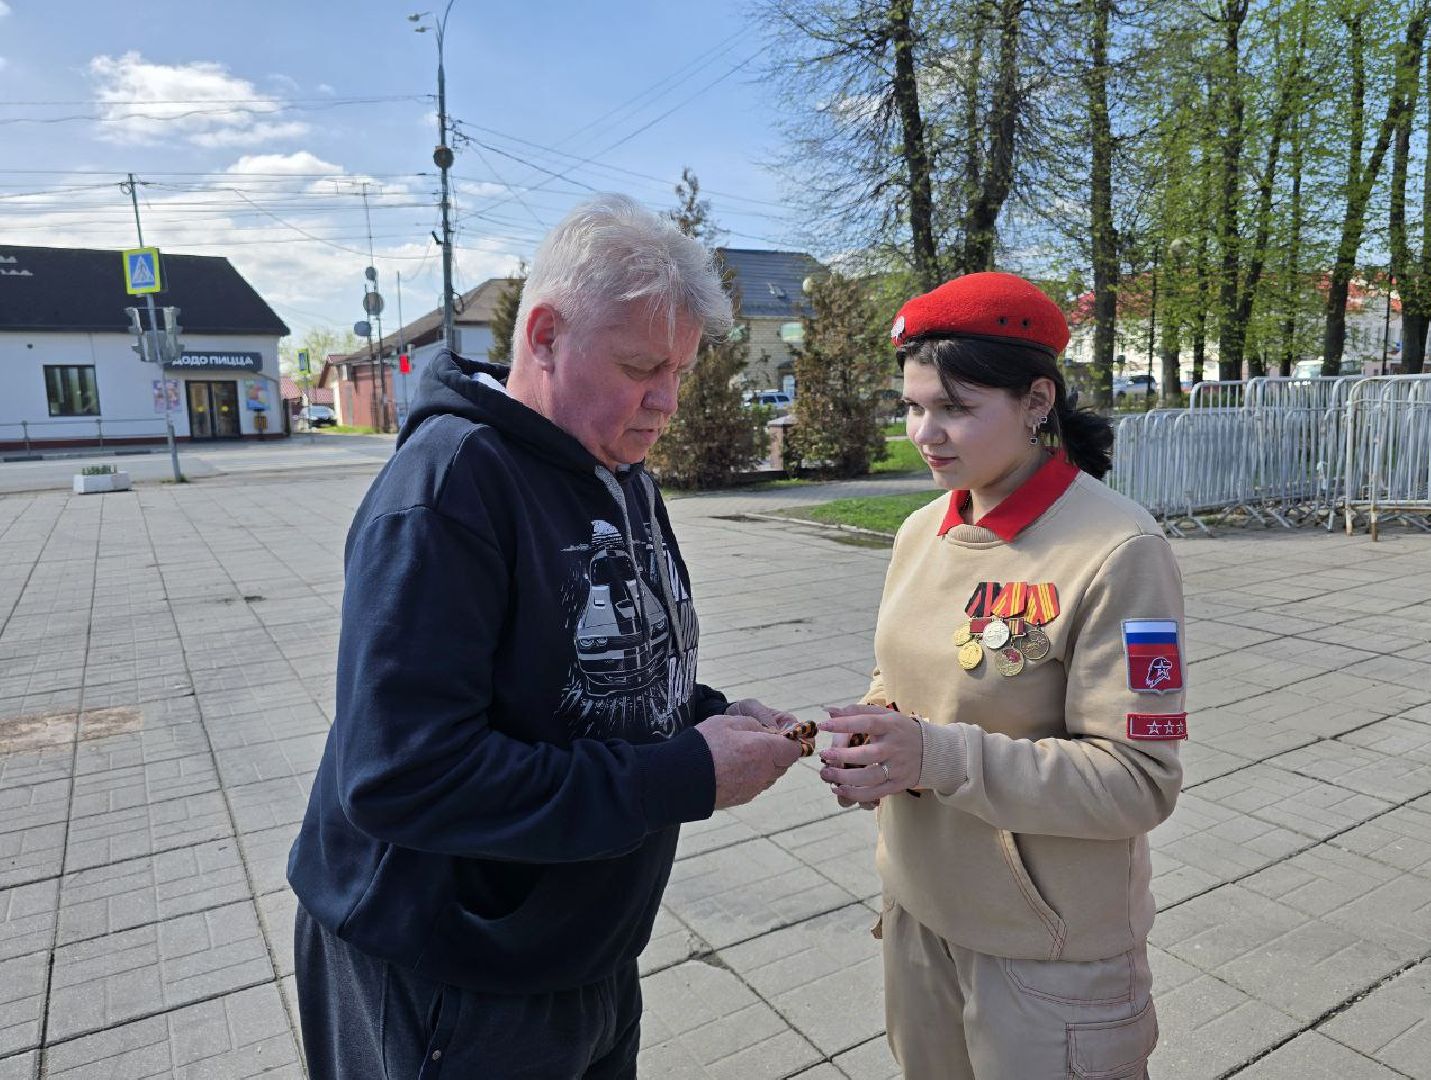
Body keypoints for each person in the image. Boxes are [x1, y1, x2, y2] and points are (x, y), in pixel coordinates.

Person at [287, 194, 801, 1080]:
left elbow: (584, 677)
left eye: (680, 369)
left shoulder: (615, 462)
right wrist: (687, 774)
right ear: (546, 336)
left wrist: (706, 718)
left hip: (581, 950)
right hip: (451, 970)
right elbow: (402, 775)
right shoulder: (451, 486)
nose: (668, 401)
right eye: (643, 365)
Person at [817, 272, 1185, 1079]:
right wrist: (874, 732)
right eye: (912, 407)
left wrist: (936, 756)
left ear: (1038, 401)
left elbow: (1140, 783)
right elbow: (905, 676)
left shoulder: (1120, 548)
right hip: (919, 917)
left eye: (954, 408)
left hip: (1048, 955)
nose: (924, 433)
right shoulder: (923, 529)